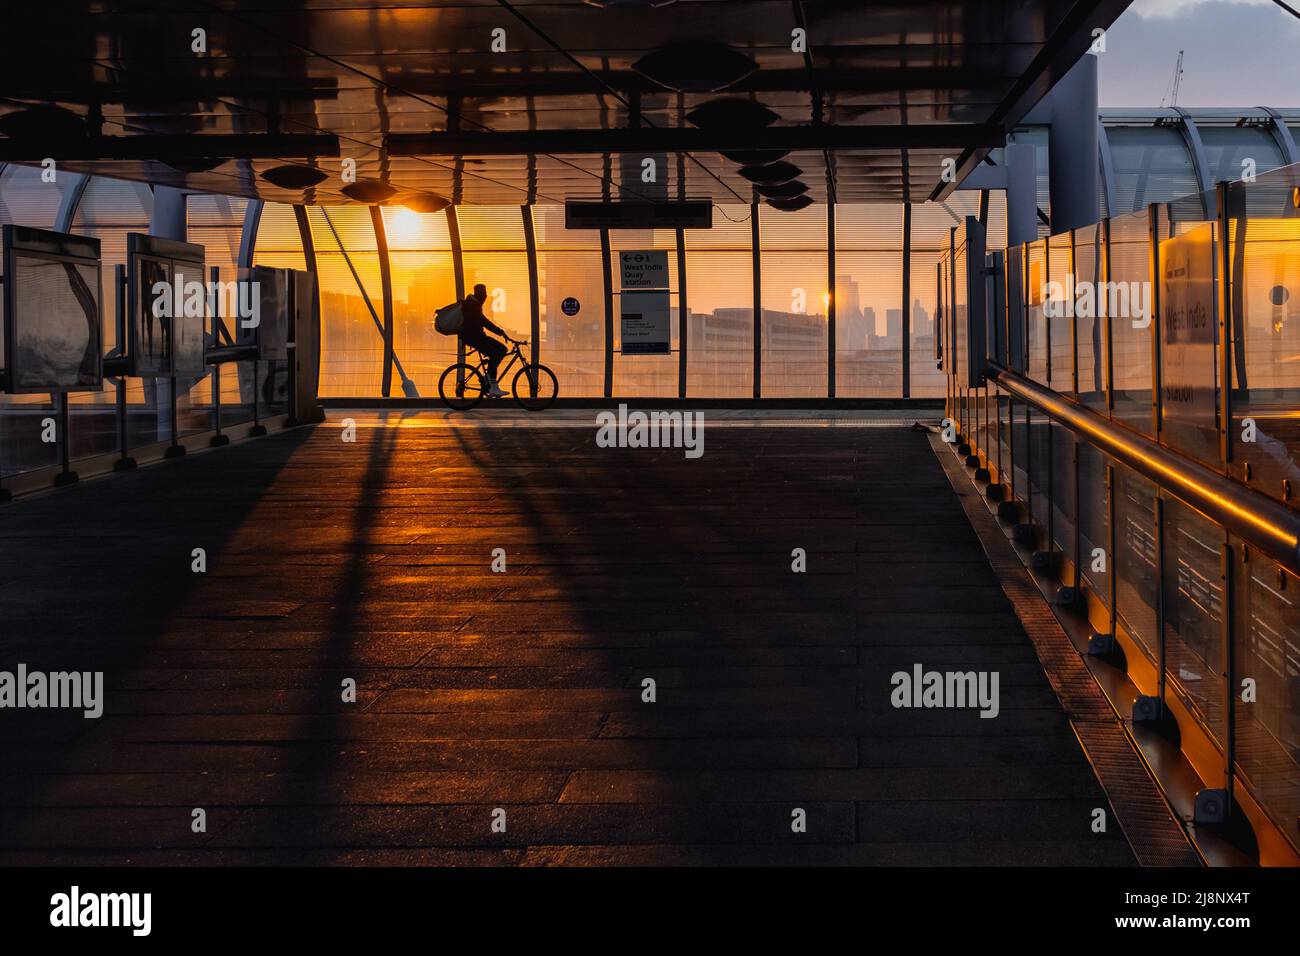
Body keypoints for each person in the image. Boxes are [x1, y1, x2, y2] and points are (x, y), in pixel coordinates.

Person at [458, 283, 515, 398]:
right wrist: (500, 332)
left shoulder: (475, 304)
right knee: (494, 354)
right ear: (478, 294)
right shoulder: (472, 305)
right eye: (484, 294)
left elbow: (483, 322)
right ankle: (492, 385)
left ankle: (487, 378)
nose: (485, 296)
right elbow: (484, 321)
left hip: (479, 336)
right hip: (474, 338)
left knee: (502, 349)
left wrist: (501, 332)